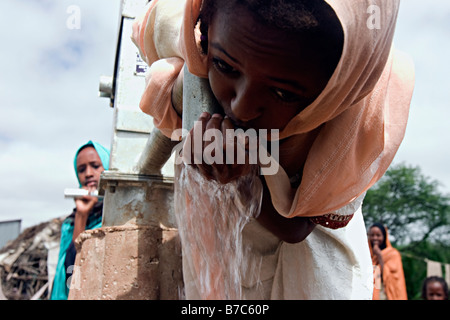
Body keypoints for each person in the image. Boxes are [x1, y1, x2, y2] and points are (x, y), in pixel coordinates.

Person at [132, 0, 415, 299]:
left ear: (334, 88)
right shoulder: (183, 25)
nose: (242, 106)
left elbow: (297, 230)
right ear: (204, 34)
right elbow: (147, 27)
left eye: (283, 92)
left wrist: (243, 180)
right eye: (225, 66)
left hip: (311, 269)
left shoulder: (357, 116)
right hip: (226, 265)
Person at [50, 141, 110, 300]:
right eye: (81, 170)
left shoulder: (116, 218)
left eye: (96, 166)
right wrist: (82, 215)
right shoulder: (70, 224)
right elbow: (71, 270)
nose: (88, 173)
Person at [368, 222, 408, 300]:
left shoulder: (393, 254)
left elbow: (389, 276)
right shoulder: (366, 254)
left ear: (384, 236)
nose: (375, 238)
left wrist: (379, 256)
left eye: (378, 235)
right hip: (369, 293)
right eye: (372, 235)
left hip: (385, 294)